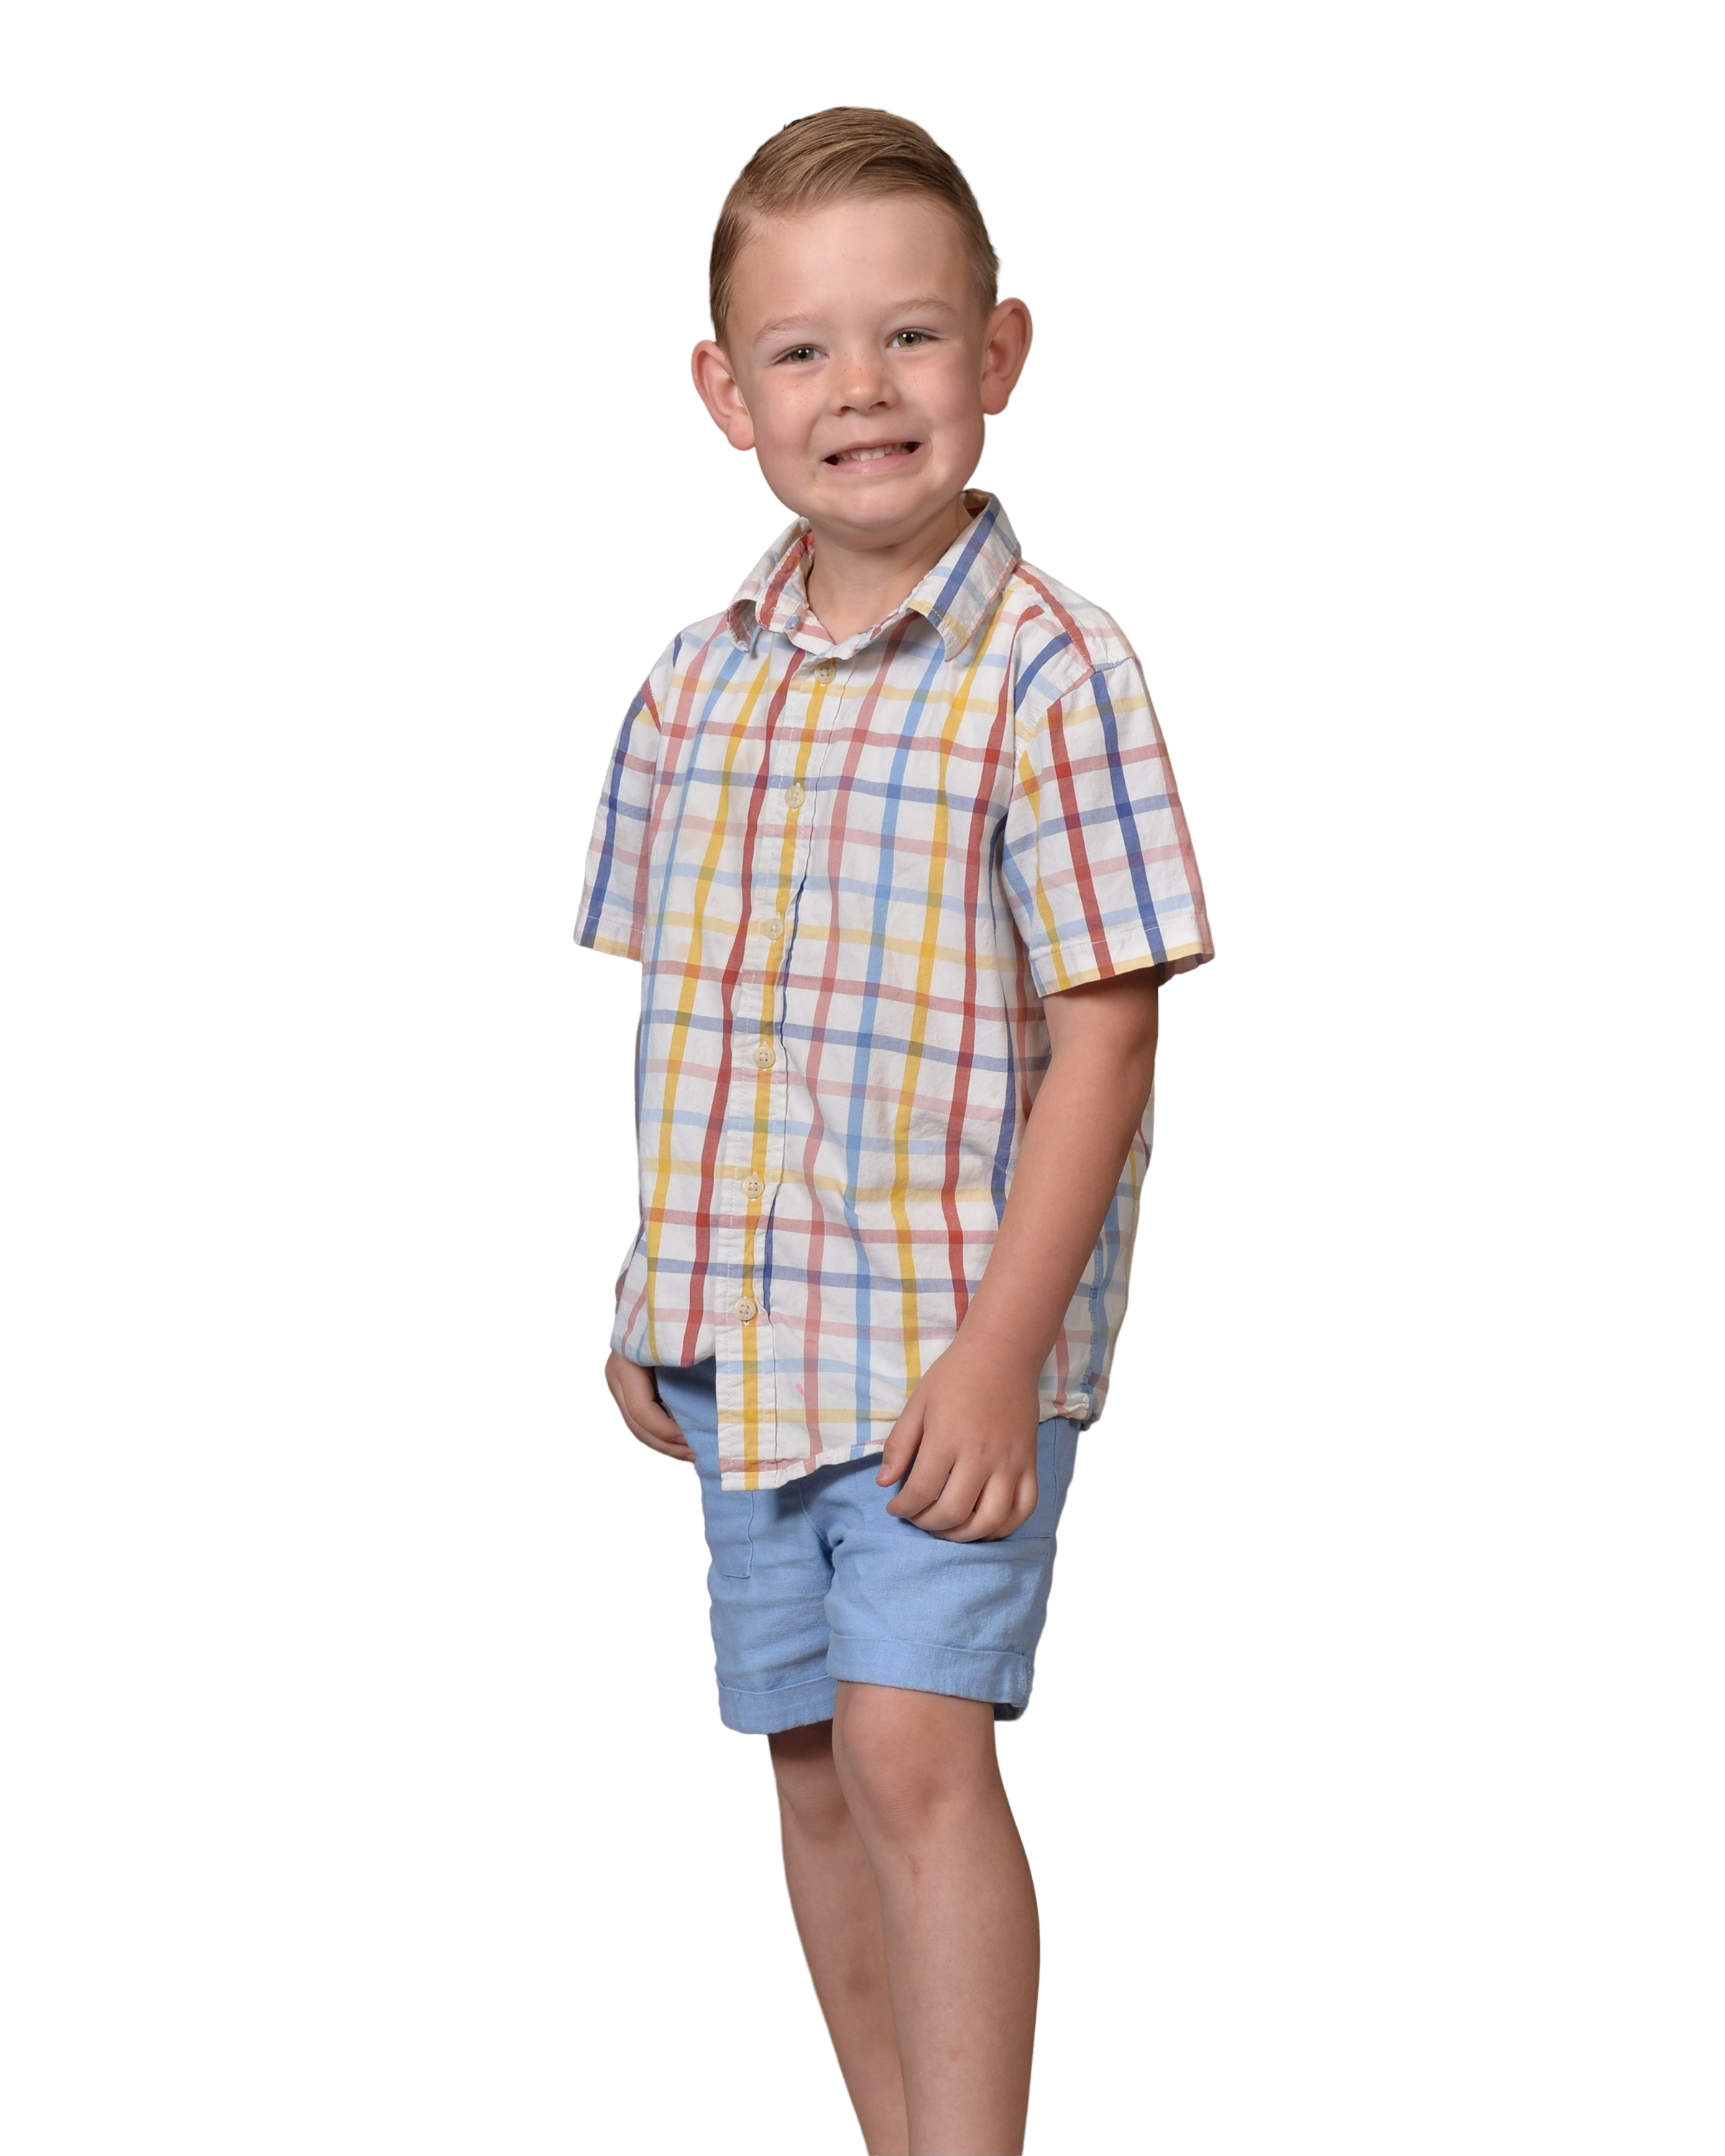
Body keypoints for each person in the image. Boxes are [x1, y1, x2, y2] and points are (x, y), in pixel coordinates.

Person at [571, 103, 1217, 2156]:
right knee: (808, 1762)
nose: (860, 390)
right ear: (725, 395)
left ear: (1002, 353)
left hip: (946, 1347)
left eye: (912, 336)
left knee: (916, 1750)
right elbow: (697, 1023)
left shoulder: (1054, 673)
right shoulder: (692, 688)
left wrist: (1004, 1356)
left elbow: (1108, 1036)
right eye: (804, 351)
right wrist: (651, 1283)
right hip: (746, 1340)